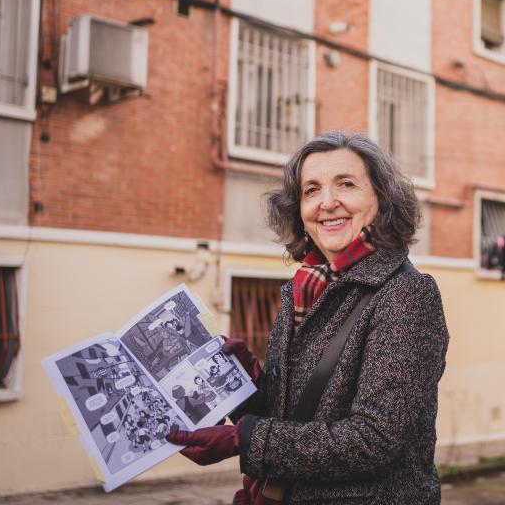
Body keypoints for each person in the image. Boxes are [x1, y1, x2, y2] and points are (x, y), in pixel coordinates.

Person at [166, 132, 449, 504]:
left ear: (381, 199)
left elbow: (373, 439)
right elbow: (301, 418)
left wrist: (244, 439)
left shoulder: (406, 294)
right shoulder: (303, 289)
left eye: (345, 184)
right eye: (311, 190)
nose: (327, 203)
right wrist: (247, 386)